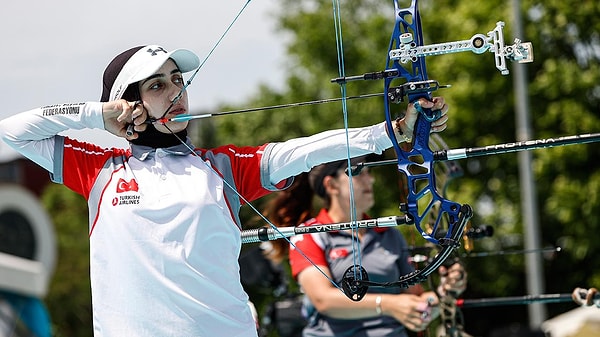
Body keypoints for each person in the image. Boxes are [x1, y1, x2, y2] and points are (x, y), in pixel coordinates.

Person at [0, 44, 448, 337]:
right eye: (158, 84)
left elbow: (307, 150)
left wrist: (393, 130)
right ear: (129, 102)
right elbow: (12, 132)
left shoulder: (223, 168)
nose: (177, 91)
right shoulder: (100, 170)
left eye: (178, 80)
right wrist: (99, 115)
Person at [265, 156, 468, 336]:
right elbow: (322, 299)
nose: (370, 179)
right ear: (332, 185)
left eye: (369, 172)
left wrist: (444, 292)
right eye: (359, 172)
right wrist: (388, 305)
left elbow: (414, 301)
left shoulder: (389, 235)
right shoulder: (309, 235)